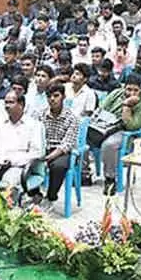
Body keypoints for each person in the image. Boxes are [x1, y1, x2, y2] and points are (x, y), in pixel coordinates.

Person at [0, 91, 43, 194]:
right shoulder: (0, 121)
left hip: (16, 166)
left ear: (21, 105)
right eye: (5, 103)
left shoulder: (33, 125)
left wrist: (12, 161)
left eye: (11, 102)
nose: (7, 106)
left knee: (6, 187)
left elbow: (37, 152)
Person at [98, 74, 141, 195]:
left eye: (135, 90)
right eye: (129, 89)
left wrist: (127, 105)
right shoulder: (116, 93)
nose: (131, 93)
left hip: (124, 131)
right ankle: (85, 172)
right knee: (81, 135)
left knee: (109, 145)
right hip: (105, 123)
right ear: (124, 87)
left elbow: (131, 126)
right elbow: (102, 107)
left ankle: (110, 179)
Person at [40, 83, 81, 213]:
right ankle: (34, 195)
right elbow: (35, 136)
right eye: (49, 96)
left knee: (57, 166)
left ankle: (50, 197)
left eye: (56, 96)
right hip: (44, 148)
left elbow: (66, 144)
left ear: (63, 97)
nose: (52, 99)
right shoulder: (40, 114)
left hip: (63, 152)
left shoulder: (72, 118)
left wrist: (48, 158)